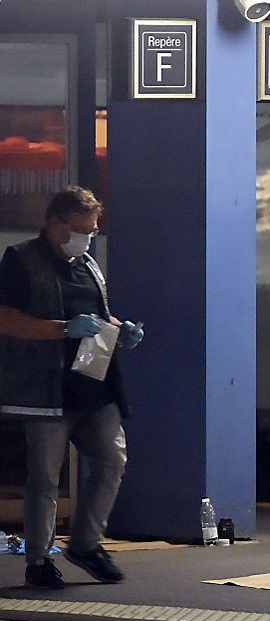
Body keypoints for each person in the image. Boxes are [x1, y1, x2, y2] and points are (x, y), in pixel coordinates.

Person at [0, 186, 144, 589]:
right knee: (45, 476)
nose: (87, 238)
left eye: (93, 231)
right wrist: (62, 330)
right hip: (44, 387)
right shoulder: (20, 260)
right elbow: (6, 318)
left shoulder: (88, 264)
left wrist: (121, 330)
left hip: (92, 381)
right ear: (54, 223)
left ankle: (85, 543)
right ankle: (39, 558)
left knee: (112, 458)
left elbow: (97, 315)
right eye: (81, 230)